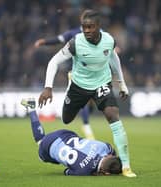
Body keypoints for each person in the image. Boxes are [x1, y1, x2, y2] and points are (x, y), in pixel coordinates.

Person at [38, 9, 136, 177]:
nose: (87, 31)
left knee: (113, 115)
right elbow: (54, 61)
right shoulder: (76, 43)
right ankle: (74, 87)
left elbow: (114, 59)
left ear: (99, 26)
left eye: (90, 27)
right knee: (67, 119)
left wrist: (121, 84)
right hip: (78, 86)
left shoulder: (109, 41)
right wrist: (48, 87)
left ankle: (126, 166)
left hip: (101, 84)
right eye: (84, 27)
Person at [21, 97, 122, 176]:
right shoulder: (83, 171)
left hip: (67, 134)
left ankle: (71, 87)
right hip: (51, 143)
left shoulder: (105, 147)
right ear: (106, 173)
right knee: (41, 144)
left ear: (109, 156)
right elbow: (67, 171)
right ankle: (31, 109)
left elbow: (112, 151)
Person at [34, 27, 95, 140]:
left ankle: (85, 121)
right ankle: (86, 125)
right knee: (84, 100)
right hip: (77, 73)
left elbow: (106, 44)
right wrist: (44, 42)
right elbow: (58, 39)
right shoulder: (74, 33)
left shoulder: (97, 34)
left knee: (87, 99)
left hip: (93, 72)